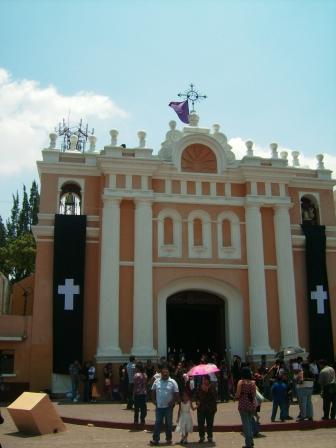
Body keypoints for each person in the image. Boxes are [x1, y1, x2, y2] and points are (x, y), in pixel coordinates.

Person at [150, 365, 179, 446]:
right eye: (164, 373)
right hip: (159, 407)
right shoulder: (157, 381)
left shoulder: (173, 382)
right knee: (158, 423)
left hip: (168, 408)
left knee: (169, 424)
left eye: (166, 372)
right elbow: (153, 391)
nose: (165, 374)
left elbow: (177, 394)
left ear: (169, 373)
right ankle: (155, 440)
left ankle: (169, 440)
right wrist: (153, 401)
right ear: (161, 374)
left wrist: (173, 402)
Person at [236, 366, 257, 448]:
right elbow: (254, 395)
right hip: (251, 404)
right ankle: (251, 442)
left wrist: (237, 396)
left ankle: (248, 444)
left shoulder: (241, 382)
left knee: (246, 425)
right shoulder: (253, 383)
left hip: (243, 404)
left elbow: (237, 394)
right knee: (250, 423)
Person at [195, 374, 217, 444]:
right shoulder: (199, 387)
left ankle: (210, 437)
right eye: (203, 380)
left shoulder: (212, 387)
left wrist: (208, 390)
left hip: (210, 408)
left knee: (209, 423)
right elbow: (196, 396)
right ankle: (201, 437)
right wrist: (197, 401)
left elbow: (215, 396)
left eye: (205, 379)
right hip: (201, 408)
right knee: (200, 422)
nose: (204, 381)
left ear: (208, 380)